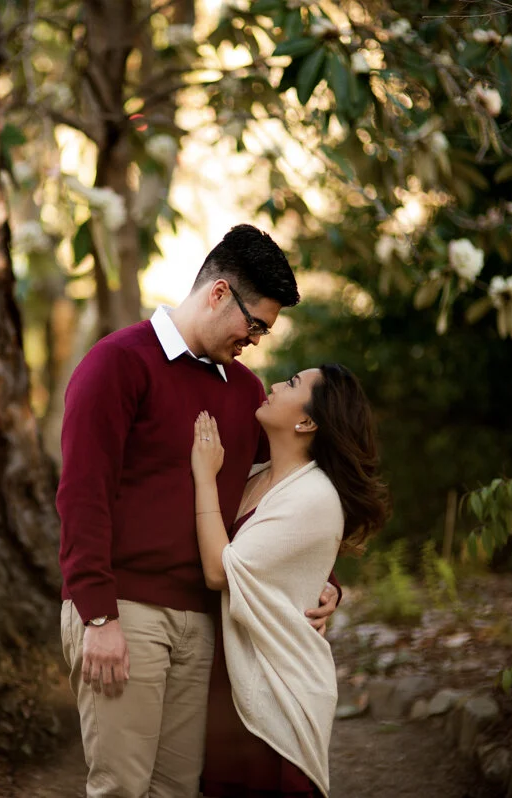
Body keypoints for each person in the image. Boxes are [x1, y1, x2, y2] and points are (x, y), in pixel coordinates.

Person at [56, 224, 341, 797]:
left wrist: (324, 578)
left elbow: (278, 495)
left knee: (177, 790)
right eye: (254, 323)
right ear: (217, 294)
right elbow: (82, 495)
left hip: (205, 625)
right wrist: (99, 615)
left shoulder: (243, 392)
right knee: (120, 787)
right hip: (127, 612)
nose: (256, 339)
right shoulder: (117, 363)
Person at [190, 364, 390, 797]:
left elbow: (218, 570)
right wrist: (327, 581)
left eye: (293, 383)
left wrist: (204, 476)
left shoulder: (314, 496)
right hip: (232, 684)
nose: (277, 384)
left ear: (306, 421)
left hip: (277, 692)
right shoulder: (257, 473)